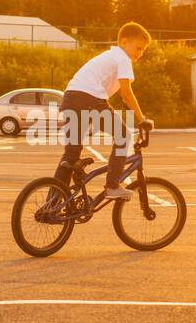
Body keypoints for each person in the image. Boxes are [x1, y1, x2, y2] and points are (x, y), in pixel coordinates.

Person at [53, 22, 154, 199]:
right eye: (138, 48)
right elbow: (126, 93)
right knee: (123, 136)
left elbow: (110, 90)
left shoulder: (109, 55)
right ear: (124, 42)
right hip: (90, 100)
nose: (140, 54)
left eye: (143, 50)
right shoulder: (123, 58)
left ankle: (52, 203)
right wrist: (141, 119)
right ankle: (113, 186)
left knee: (70, 157)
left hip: (70, 98)